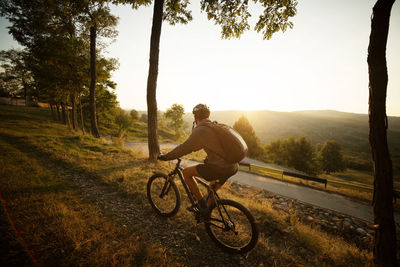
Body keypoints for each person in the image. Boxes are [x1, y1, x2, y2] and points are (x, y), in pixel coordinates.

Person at [158, 104, 238, 214]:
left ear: (196, 117)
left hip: (219, 168)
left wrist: (165, 157)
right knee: (211, 190)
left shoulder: (201, 130)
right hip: (232, 167)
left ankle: (201, 205)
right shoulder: (215, 126)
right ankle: (207, 214)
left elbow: (184, 148)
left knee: (186, 173)